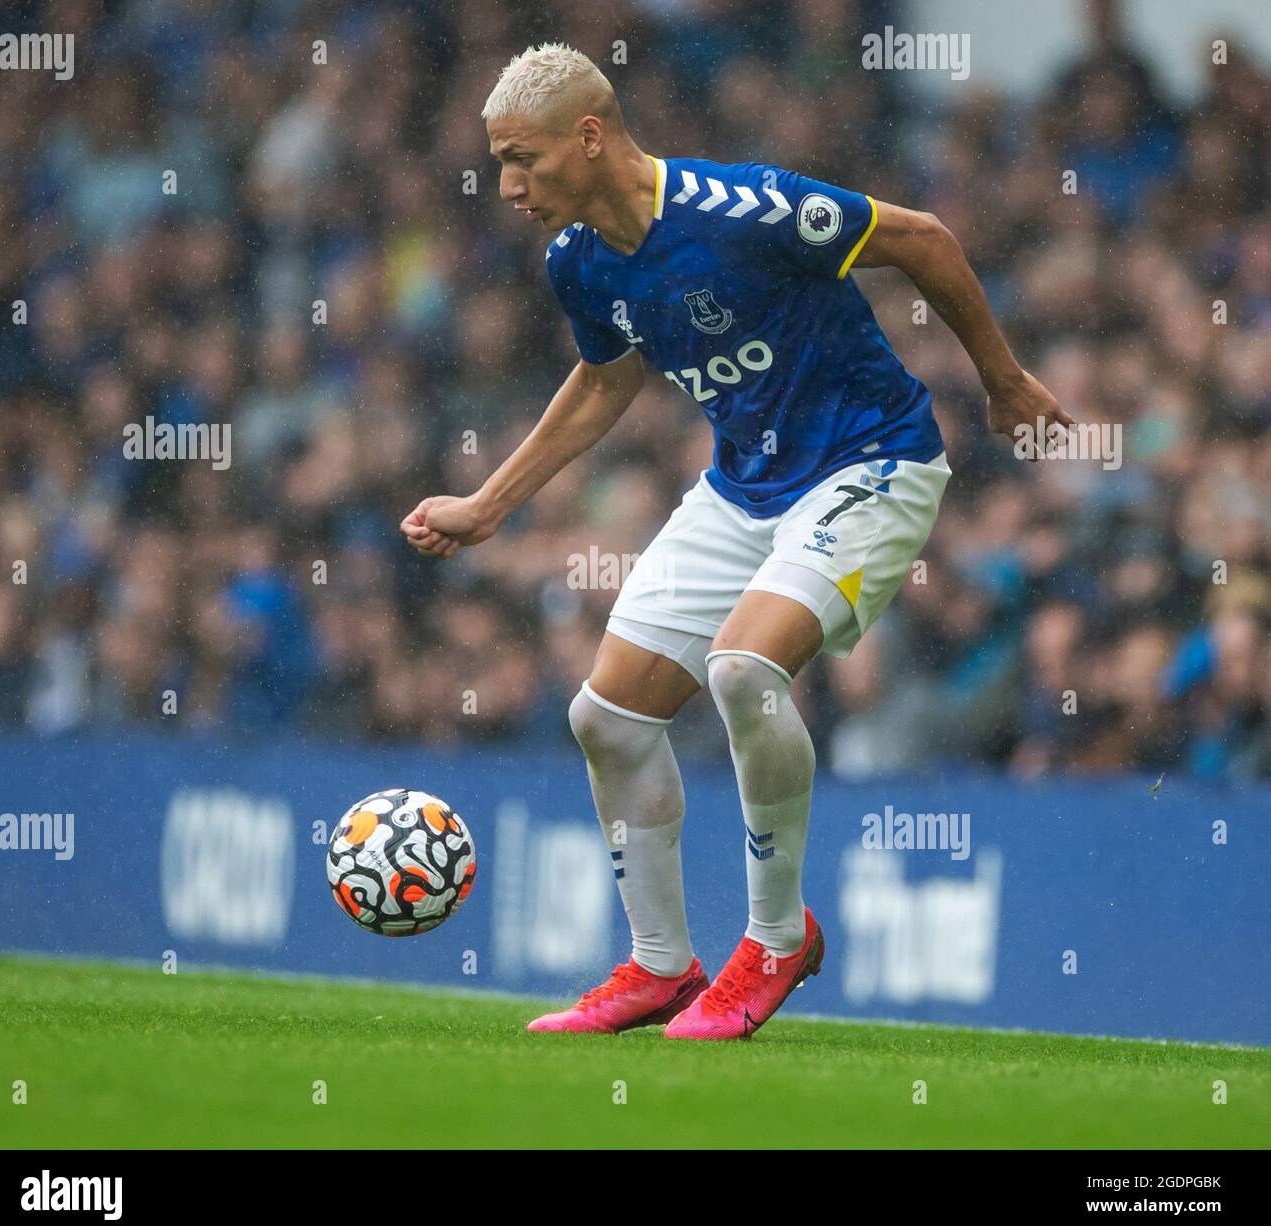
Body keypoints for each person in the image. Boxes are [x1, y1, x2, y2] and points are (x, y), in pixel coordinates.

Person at [402, 43, 1070, 1040]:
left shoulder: (743, 210)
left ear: (591, 136)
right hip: (742, 487)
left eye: (523, 159)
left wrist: (1004, 378)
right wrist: (492, 504)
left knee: (744, 669)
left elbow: (922, 237)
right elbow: (604, 378)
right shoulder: (577, 260)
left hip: (871, 463)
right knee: (607, 719)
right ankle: (661, 965)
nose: (506, 185)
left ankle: (774, 937)